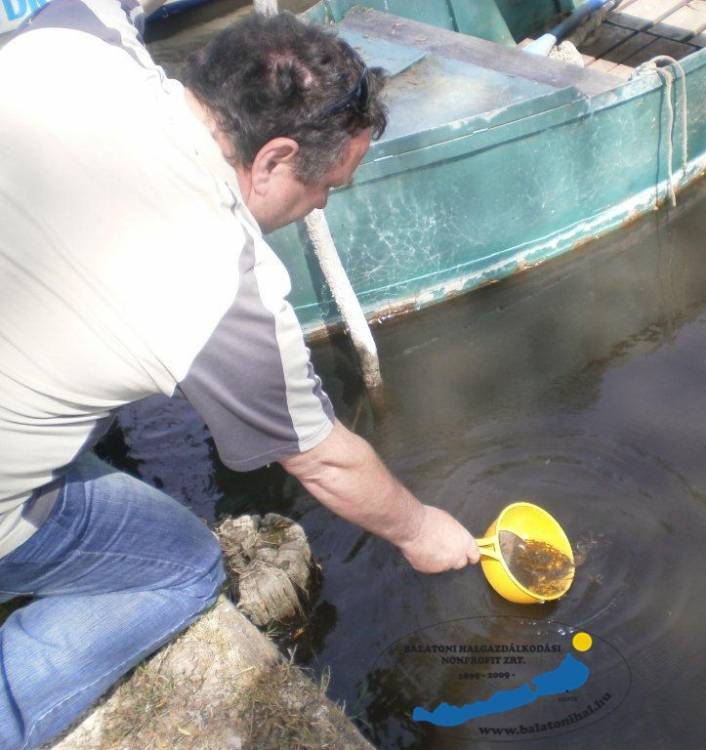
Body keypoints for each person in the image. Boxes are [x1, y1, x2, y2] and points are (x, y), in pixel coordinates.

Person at [0, 2, 480, 747]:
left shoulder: (76, 34)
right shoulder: (222, 275)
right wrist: (421, 530)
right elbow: (323, 459)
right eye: (327, 185)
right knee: (185, 569)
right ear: (274, 159)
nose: (321, 203)